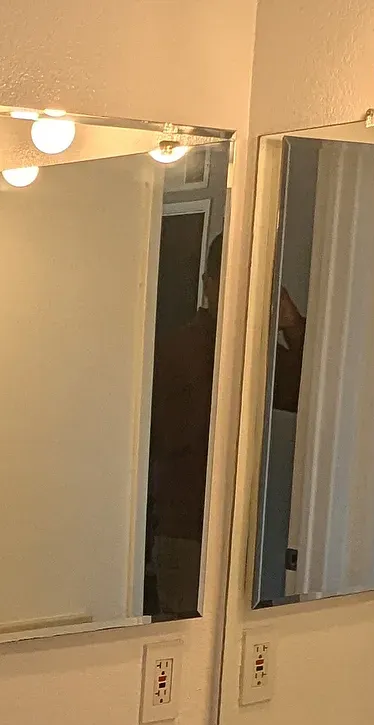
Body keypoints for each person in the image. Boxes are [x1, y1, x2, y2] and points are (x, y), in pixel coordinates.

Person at [145, 232, 224, 619]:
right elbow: (157, 439)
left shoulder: (253, 352)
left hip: (238, 529)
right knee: (179, 636)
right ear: (209, 284)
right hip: (183, 526)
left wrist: (290, 323)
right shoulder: (177, 349)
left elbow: (306, 393)